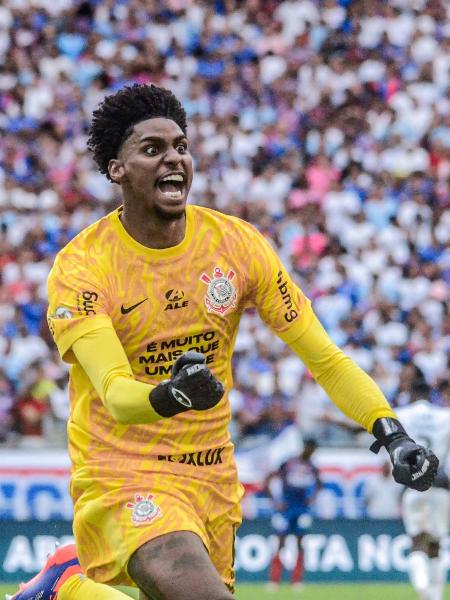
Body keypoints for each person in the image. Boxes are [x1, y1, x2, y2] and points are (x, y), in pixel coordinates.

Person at [10, 84, 438, 600]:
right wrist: (176, 394)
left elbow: (324, 359)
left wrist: (390, 431)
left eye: (181, 146)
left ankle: (65, 589)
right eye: (152, 149)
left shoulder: (236, 246)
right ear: (116, 169)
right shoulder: (83, 268)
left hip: (210, 474)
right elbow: (117, 394)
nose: (174, 158)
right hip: (123, 471)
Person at [396, 384, 450, 600]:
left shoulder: (403, 414)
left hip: (414, 485)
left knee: (418, 541)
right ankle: (435, 596)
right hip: (441, 484)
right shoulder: (444, 416)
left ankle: (423, 592)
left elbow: (367, 426)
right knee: (436, 543)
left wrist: (331, 418)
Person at [266, 437, 321, 591]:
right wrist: (275, 500)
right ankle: (274, 580)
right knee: (280, 542)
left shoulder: (312, 467)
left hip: (302, 508)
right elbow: (268, 479)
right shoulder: (289, 463)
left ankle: (296, 581)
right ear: (305, 447)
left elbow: (319, 484)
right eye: (309, 448)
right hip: (286, 508)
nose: (311, 452)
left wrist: (312, 498)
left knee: (300, 543)